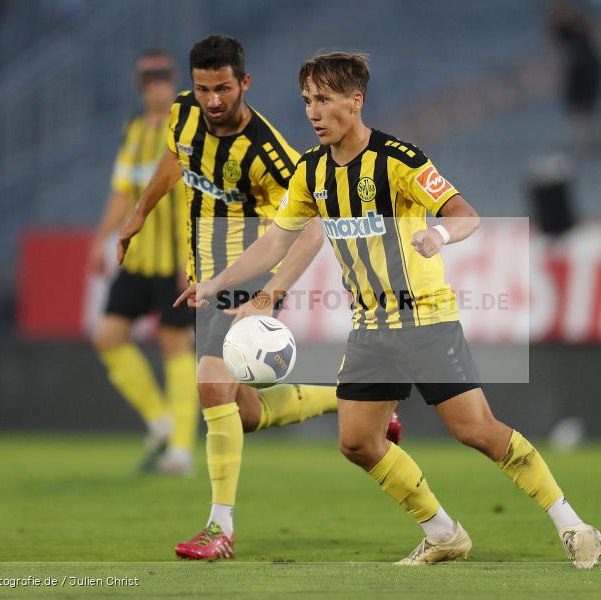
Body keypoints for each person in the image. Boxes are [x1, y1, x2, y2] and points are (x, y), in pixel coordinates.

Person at [176, 52, 601, 568]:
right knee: (357, 442)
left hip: (424, 317)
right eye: (307, 100)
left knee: (476, 432)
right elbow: (277, 241)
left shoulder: (398, 161)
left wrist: (438, 233)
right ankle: (444, 533)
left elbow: (466, 215)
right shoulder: (311, 171)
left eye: (324, 100)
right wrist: (220, 284)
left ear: (354, 102)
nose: (312, 112)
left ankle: (571, 523)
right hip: (370, 328)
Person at [117, 36, 400, 560]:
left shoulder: (268, 152)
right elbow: (175, 159)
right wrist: (138, 213)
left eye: (223, 88)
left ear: (244, 83)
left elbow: (312, 225)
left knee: (209, 388)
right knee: (242, 412)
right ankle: (356, 400)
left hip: (248, 283)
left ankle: (219, 529)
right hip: (207, 281)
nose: (213, 100)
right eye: (203, 88)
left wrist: (270, 293)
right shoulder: (182, 113)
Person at [90, 50, 197, 475]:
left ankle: (182, 450)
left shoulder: (185, 128)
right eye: (148, 77)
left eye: (162, 75)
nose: (155, 83)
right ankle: (160, 419)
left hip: (174, 259)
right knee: (108, 337)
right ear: (140, 84)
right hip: (137, 257)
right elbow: (122, 191)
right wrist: (99, 241)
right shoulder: (134, 130)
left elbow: (194, 194)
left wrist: (190, 258)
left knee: (175, 345)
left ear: (173, 81)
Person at [549, 1, 601, 154]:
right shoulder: (559, 24)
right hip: (576, 69)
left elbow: (595, 36)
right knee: (578, 111)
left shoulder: (580, 21)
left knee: (588, 110)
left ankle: (595, 143)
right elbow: (552, 44)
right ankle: (590, 144)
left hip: (587, 68)